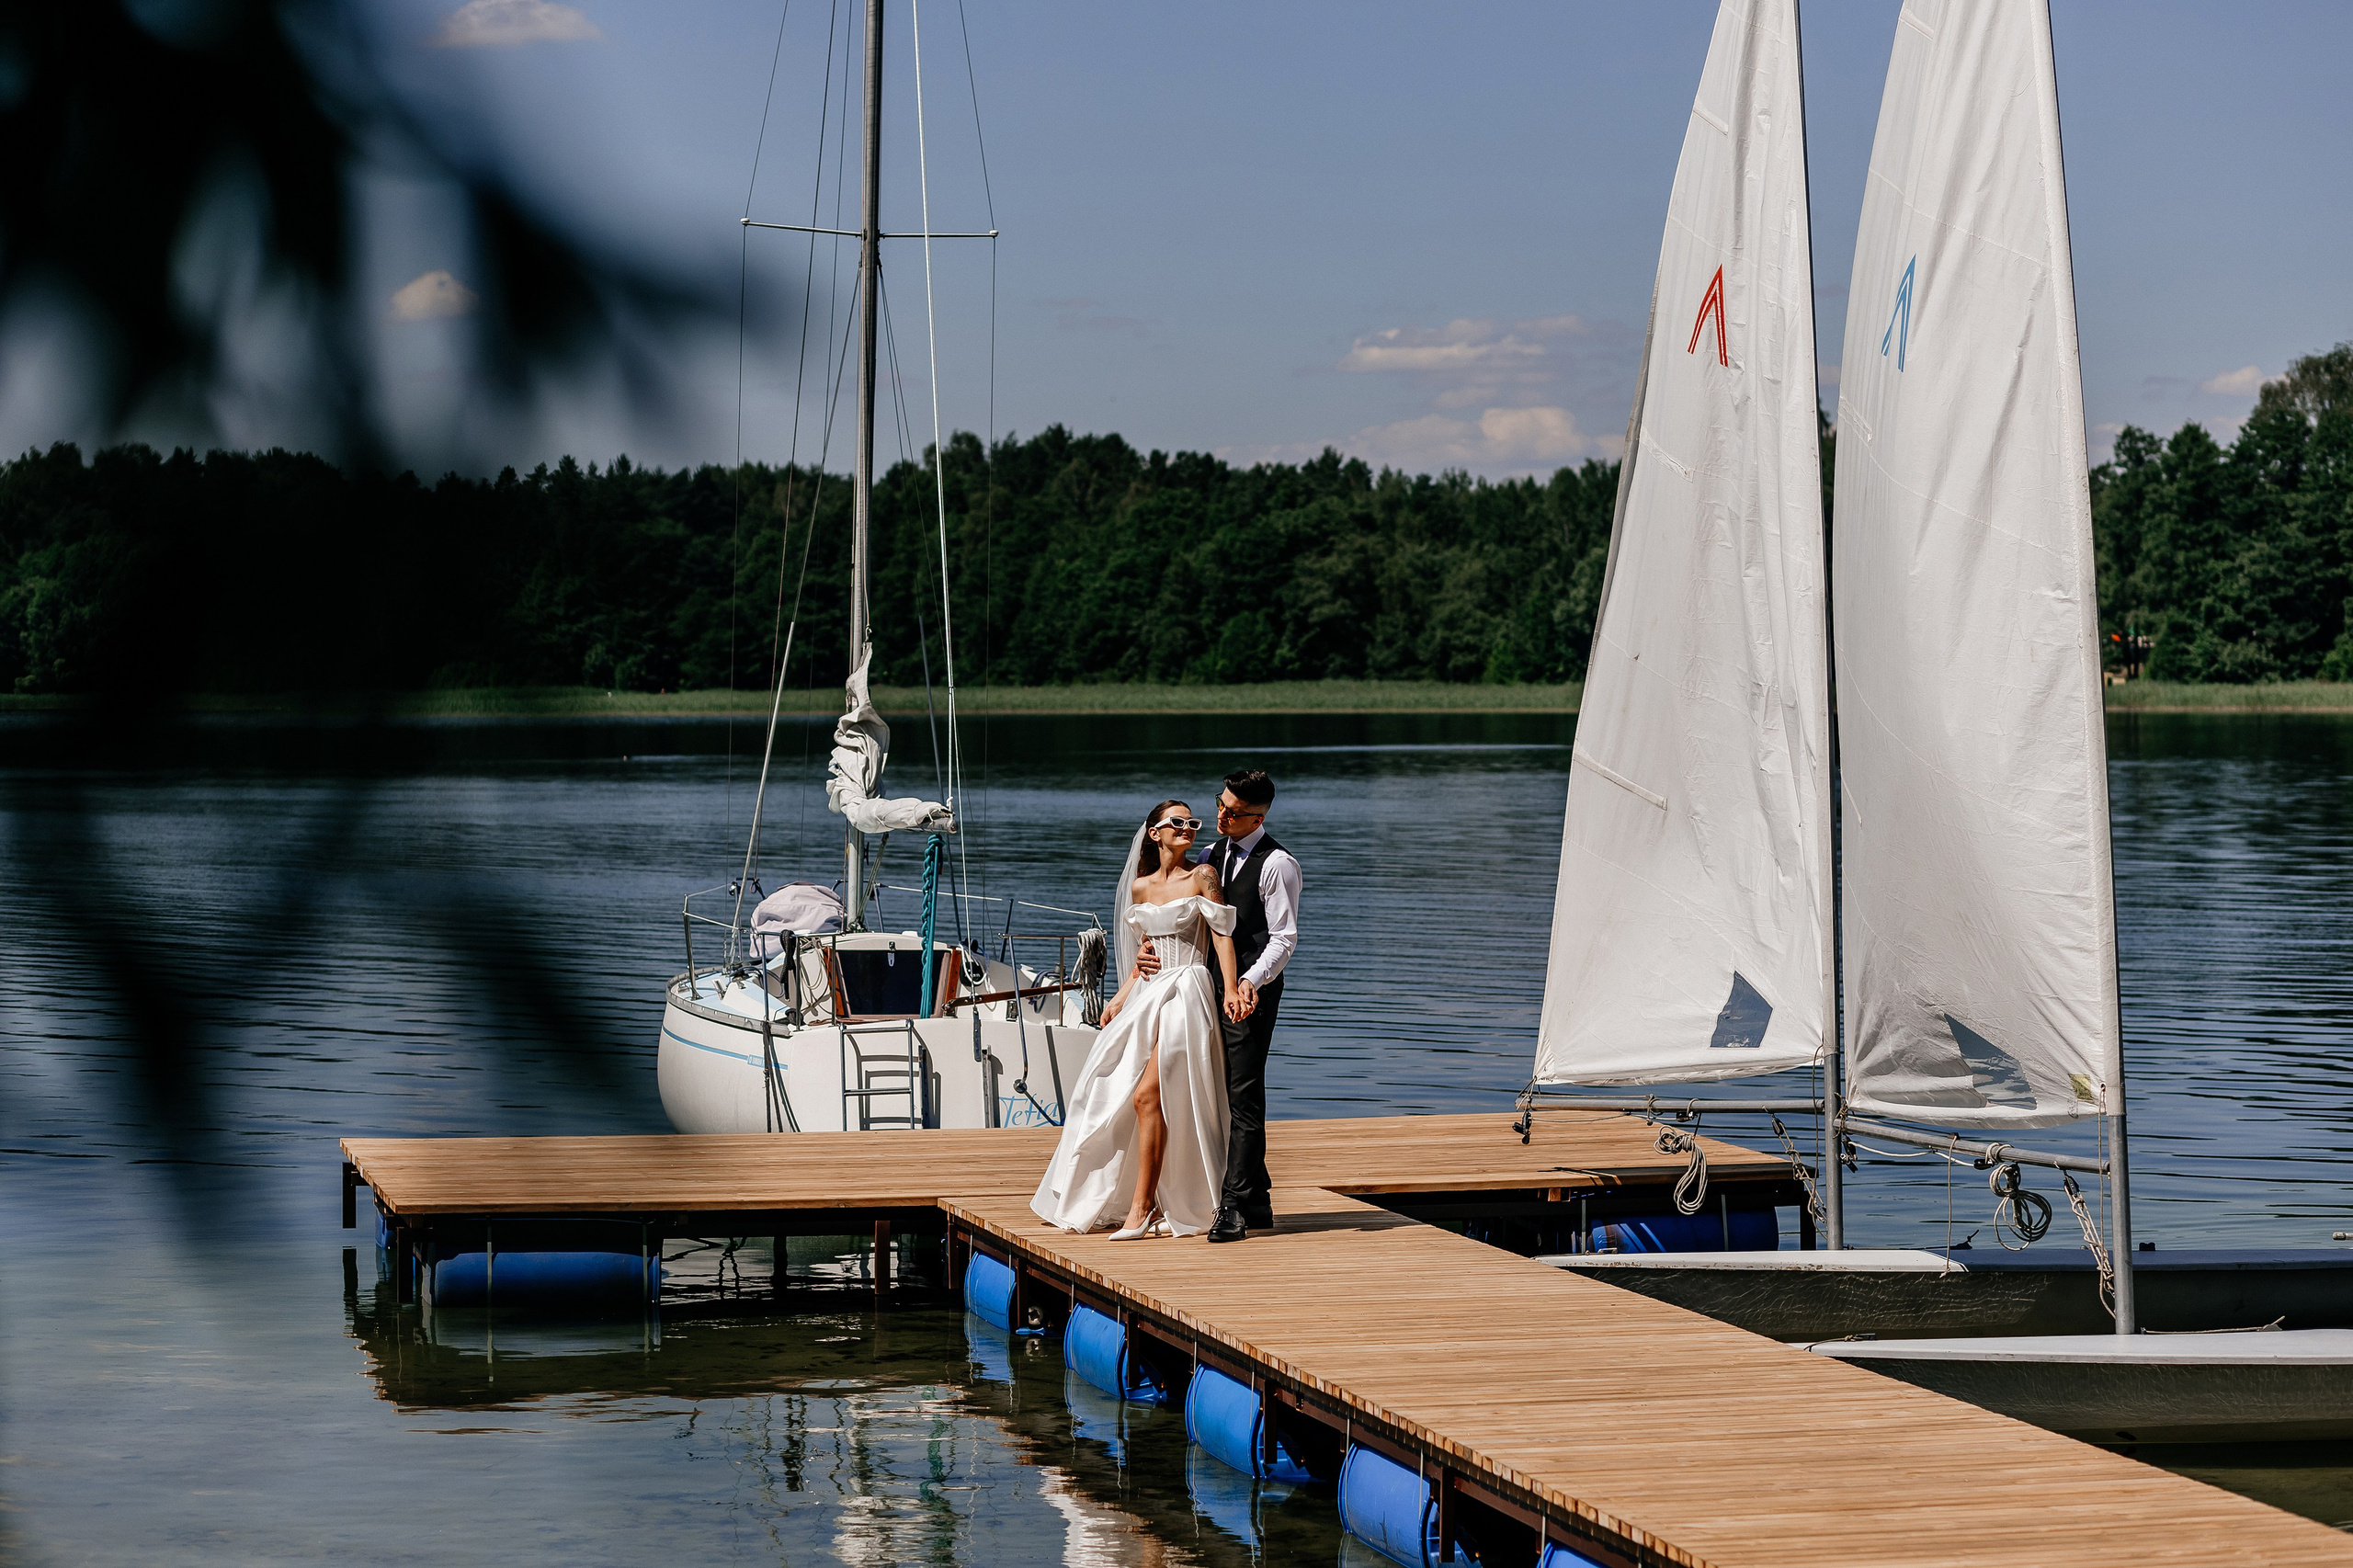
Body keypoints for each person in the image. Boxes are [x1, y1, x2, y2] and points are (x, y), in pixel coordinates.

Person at [1029, 800, 1256, 1238]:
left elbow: (1222, 937)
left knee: (1148, 1095)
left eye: (1192, 822)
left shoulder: (1203, 876)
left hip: (1188, 992)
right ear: (1155, 833)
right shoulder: (1141, 888)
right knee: (1104, 1087)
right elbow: (1144, 956)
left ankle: (1143, 1206)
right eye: (1178, 822)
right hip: (1150, 994)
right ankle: (1124, 1199)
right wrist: (1122, 993)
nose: (1188, 828)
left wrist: (1230, 987)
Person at [1140, 768, 1299, 1244]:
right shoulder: (1209, 856)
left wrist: (1249, 982)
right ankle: (1259, 1197)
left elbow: (1284, 938)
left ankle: (1231, 1208)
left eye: (1232, 812)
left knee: (1243, 1096)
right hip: (1198, 987)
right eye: (1220, 804)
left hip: (1251, 990)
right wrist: (1148, 953)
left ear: (1259, 816)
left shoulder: (1278, 865)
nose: (1220, 815)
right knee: (1213, 1087)